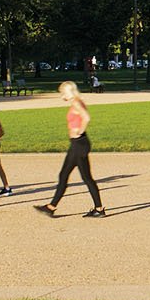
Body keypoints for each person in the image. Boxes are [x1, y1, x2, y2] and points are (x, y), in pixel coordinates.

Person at [34, 82, 104, 218]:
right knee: (82, 177)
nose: (62, 95)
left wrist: (80, 131)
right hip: (79, 144)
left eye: (63, 92)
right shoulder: (77, 101)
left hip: (78, 144)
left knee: (69, 176)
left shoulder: (77, 102)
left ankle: (52, 207)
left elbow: (87, 118)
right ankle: (98, 209)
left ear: (70, 91)